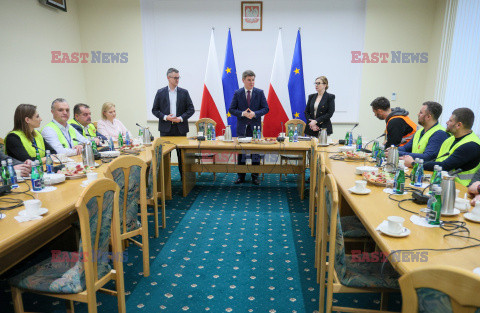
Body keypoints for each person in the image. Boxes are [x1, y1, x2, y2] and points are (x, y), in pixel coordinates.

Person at [410, 108, 480, 187]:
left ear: (458, 125)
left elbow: (445, 166)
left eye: (450, 121)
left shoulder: (471, 145)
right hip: (440, 183)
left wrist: (414, 164)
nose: (447, 122)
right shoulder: (450, 139)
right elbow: (438, 161)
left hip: (459, 188)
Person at [151, 68, 195, 177]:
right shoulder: (160, 92)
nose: (177, 80)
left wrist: (180, 118)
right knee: (166, 157)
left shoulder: (184, 92)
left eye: (178, 77)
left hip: (180, 129)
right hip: (166, 130)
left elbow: (191, 109)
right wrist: (166, 117)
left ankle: (184, 180)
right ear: (168, 78)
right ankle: (166, 182)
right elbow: (154, 110)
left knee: (182, 157)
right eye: (175, 77)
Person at [229, 70, 269, 185]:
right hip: (242, 127)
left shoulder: (259, 92)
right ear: (243, 80)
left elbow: (266, 108)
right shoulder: (238, 93)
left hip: (255, 128)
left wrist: (254, 113)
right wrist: (242, 113)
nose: (252, 82)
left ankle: (255, 176)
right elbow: (231, 109)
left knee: (255, 153)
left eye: (253, 80)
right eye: (249, 80)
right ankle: (241, 176)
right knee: (241, 153)